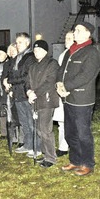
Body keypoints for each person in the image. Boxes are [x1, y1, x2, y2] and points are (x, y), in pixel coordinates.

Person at [56, 22, 100, 176]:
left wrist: (66, 86)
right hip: (67, 98)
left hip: (82, 99)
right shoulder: (71, 51)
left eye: (79, 30)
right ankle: (75, 160)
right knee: (70, 132)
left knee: (83, 133)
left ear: (88, 34)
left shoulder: (91, 52)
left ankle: (88, 163)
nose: (75, 33)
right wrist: (58, 84)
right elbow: (61, 69)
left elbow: (86, 75)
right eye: (75, 30)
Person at [26, 40, 60, 168]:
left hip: (46, 100)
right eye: (35, 50)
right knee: (39, 130)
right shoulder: (33, 66)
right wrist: (28, 91)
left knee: (45, 130)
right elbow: (27, 81)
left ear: (46, 51)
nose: (36, 52)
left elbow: (50, 82)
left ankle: (51, 158)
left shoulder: (52, 64)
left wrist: (35, 93)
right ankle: (46, 154)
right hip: (35, 99)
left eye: (39, 50)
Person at [5, 32, 38, 157]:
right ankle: (28, 144)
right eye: (17, 42)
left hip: (26, 93)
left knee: (31, 121)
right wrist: (8, 80)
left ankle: (37, 147)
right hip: (18, 94)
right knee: (24, 122)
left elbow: (26, 76)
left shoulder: (30, 57)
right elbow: (11, 73)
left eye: (20, 42)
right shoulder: (17, 58)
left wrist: (10, 81)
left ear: (27, 43)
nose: (17, 45)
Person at [52, 31, 74, 157]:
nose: (66, 40)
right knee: (62, 121)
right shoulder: (63, 54)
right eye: (66, 38)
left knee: (72, 121)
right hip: (61, 91)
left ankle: (73, 145)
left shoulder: (76, 53)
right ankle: (62, 146)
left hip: (71, 91)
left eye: (70, 38)